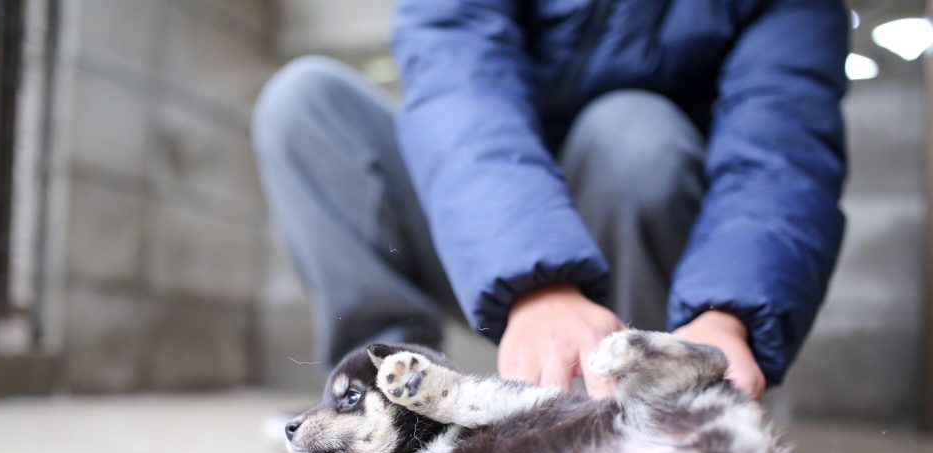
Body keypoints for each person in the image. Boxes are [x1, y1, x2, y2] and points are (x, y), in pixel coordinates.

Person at [252, 0, 848, 401]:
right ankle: (390, 404)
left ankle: (637, 403)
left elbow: (781, 151)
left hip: (652, 234)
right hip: (489, 231)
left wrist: (729, 315)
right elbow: (459, 88)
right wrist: (537, 283)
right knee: (306, 103)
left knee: (632, 130)